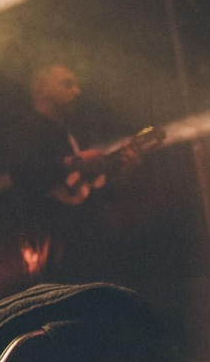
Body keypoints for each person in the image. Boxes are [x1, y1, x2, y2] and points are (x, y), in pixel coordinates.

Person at [7, 64, 140, 280]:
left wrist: (125, 171)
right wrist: (75, 162)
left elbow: (97, 193)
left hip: (92, 256)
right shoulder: (26, 131)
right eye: (67, 84)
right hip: (55, 263)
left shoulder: (74, 133)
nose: (77, 91)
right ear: (40, 88)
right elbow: (24, 173)